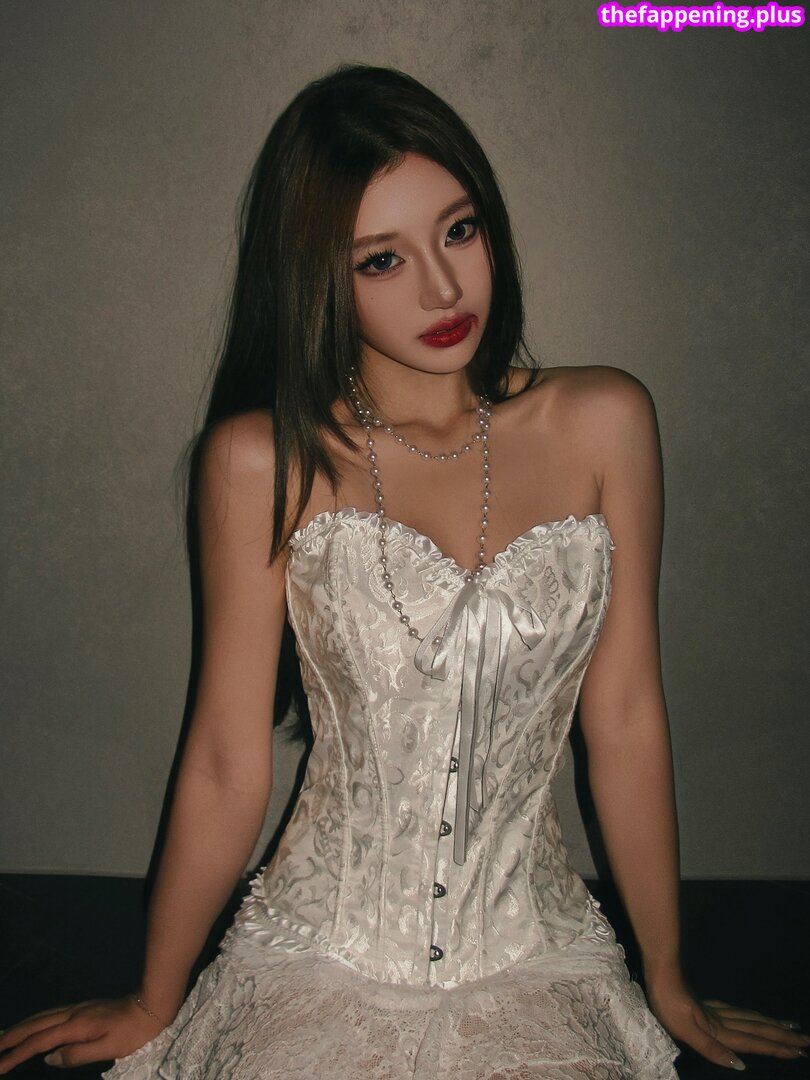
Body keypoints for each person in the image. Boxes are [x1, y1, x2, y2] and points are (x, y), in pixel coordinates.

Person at [0, 64, 806, 1080]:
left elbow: (628, 718)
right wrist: (156, 998)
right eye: (382, 259)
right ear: (318, 278)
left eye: (459, 230)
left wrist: (669, 974)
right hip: (319, 953)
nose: (442, 288)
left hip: (534, 956)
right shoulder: (261, 461)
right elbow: (224, 760)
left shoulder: (604, 422)